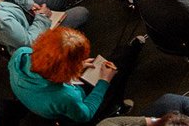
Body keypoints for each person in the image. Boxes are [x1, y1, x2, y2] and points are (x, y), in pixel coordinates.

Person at [9, 27, 144, 124]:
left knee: (111, 63)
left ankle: (130, 49)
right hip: (70, 114)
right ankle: (117, 105)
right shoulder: (65, 96)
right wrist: (104, 81)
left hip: (38, 101)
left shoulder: (21, 54)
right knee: (116, 73)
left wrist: (76, 67)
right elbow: (85, 114)